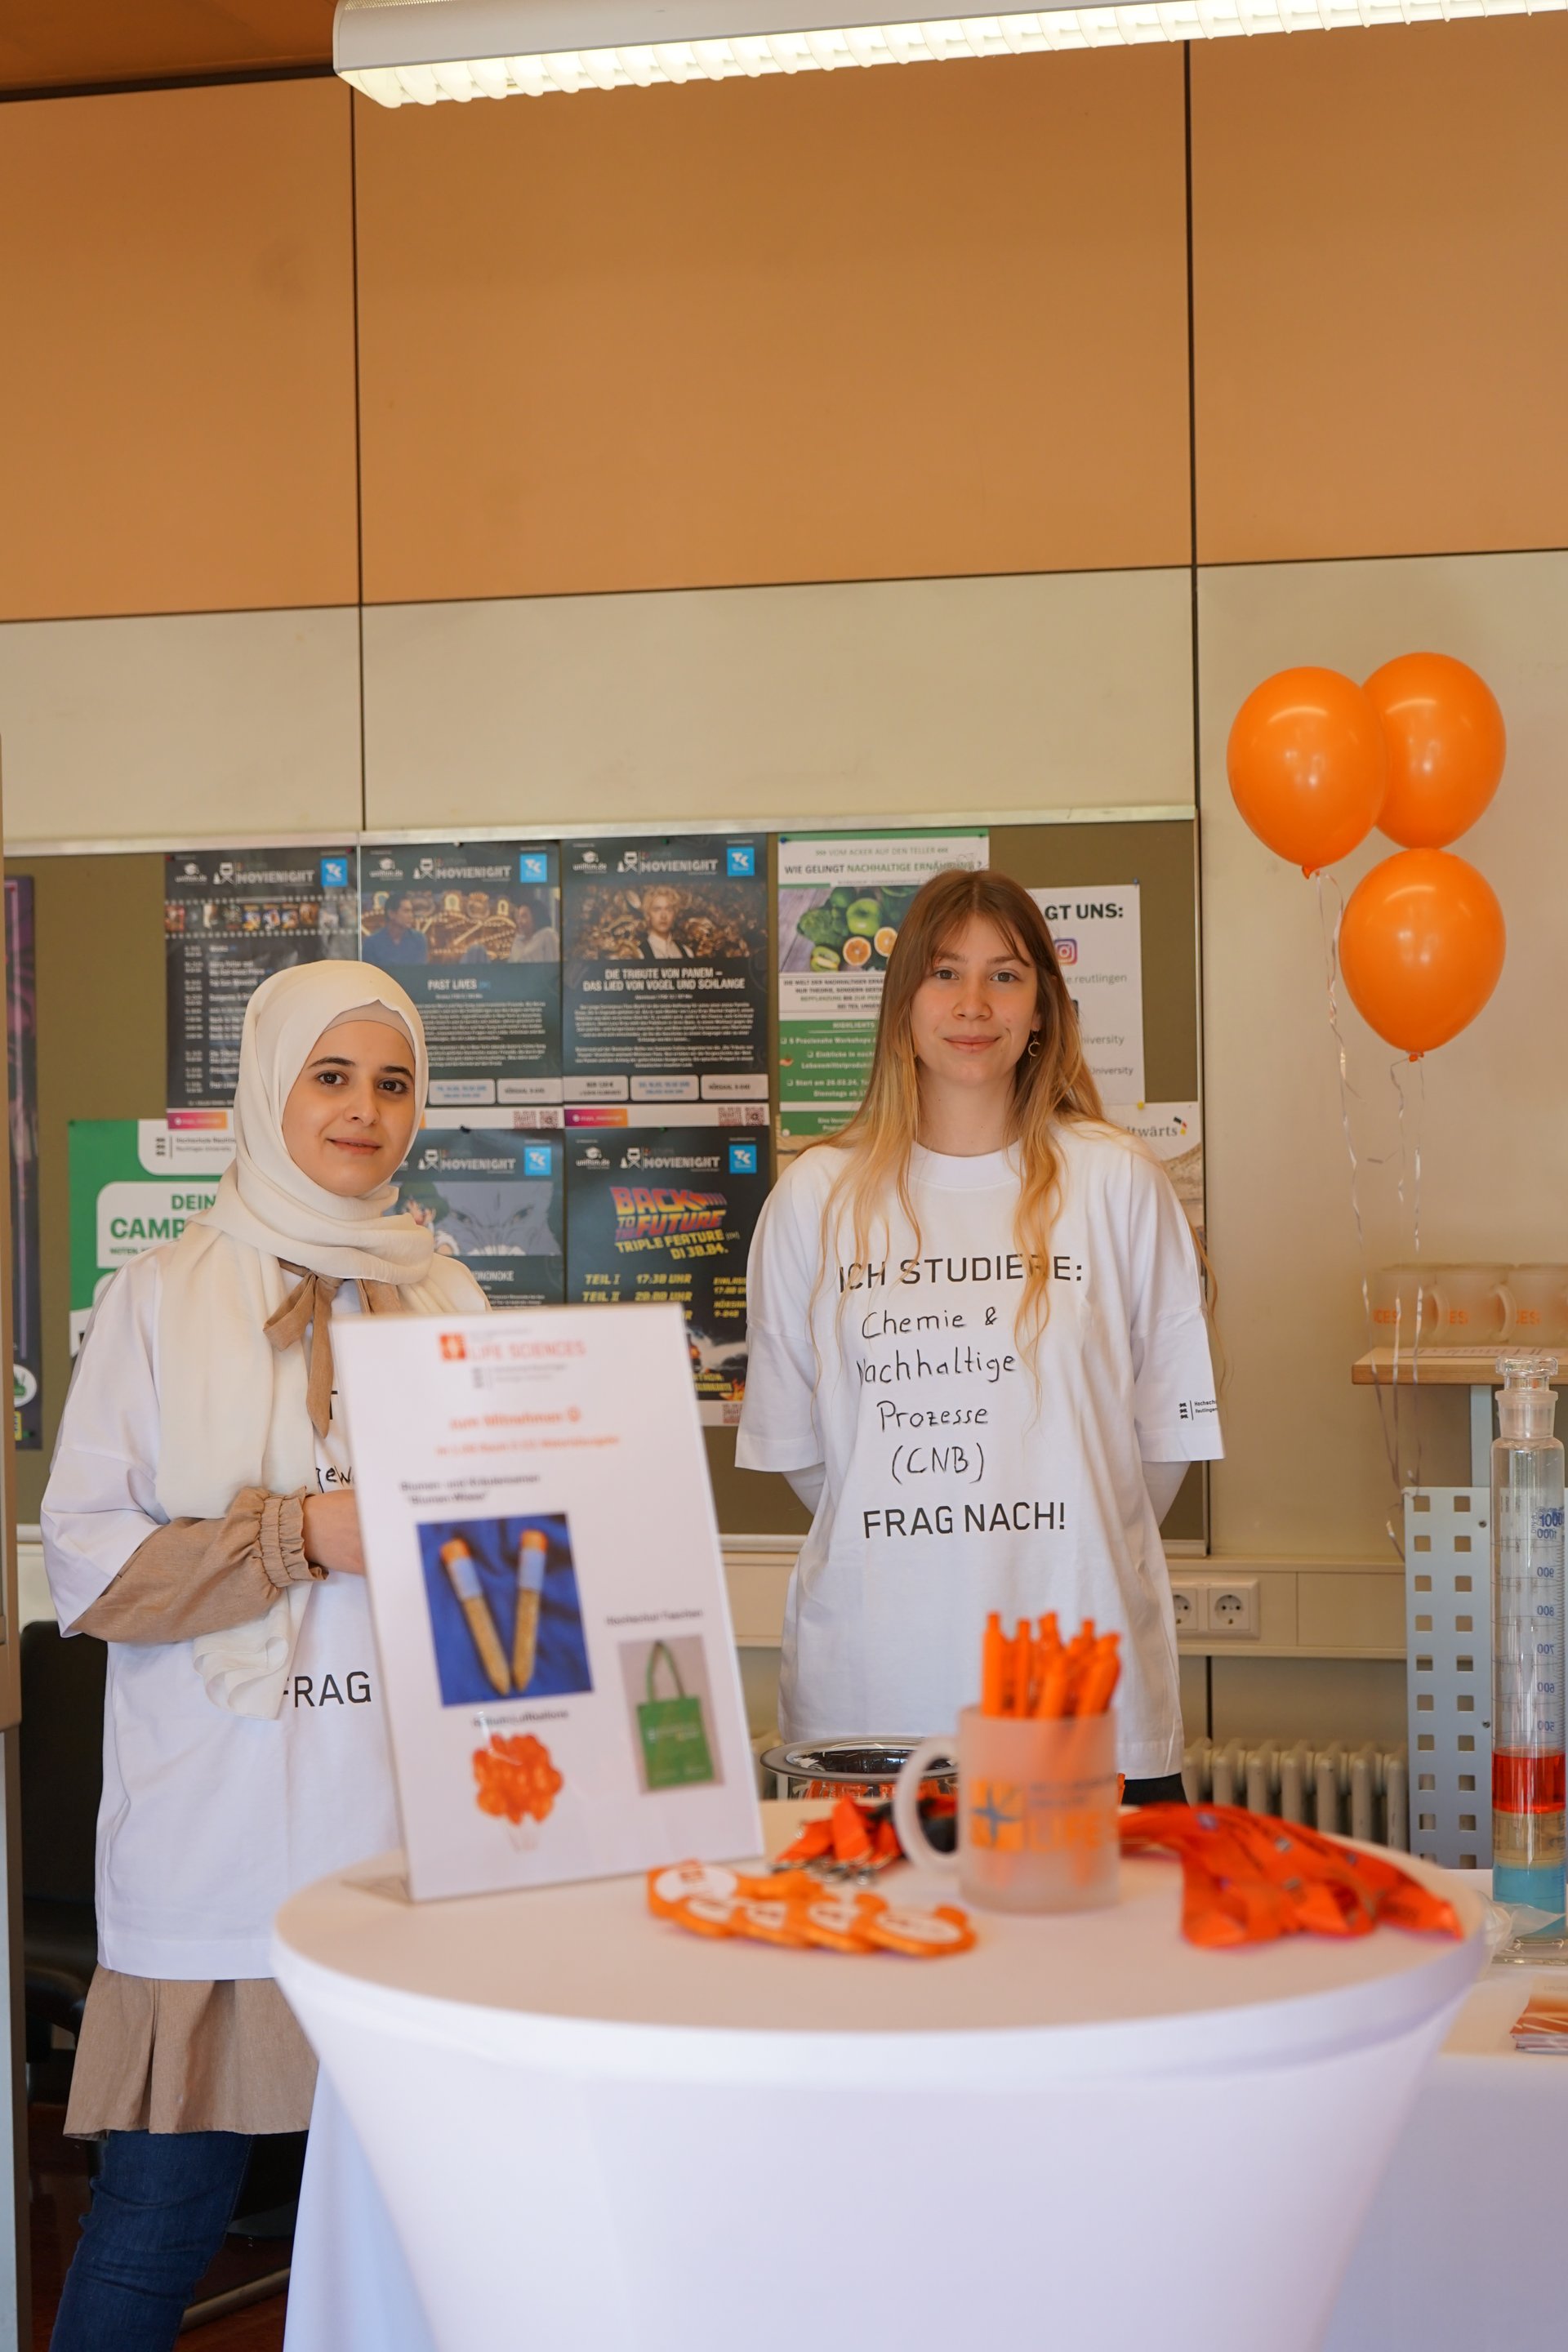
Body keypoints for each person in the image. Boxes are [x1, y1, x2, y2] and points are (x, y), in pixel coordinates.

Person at [42, 962, 485, 2350]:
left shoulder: (448, 1293)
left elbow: (509, 1563)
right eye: (332, 1076)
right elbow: (92, 1567)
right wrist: (299, 1534)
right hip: (218, 1837)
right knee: (160, 2222)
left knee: (422, 2237)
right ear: (270, 1085)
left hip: (405, 1848)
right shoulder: (163, 1296)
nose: (364, 1110)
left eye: (393, 1081)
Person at [736, 869, 1220, 1802]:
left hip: (1083, 1703)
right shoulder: (815, 1200)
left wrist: (1054, 1533)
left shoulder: (1117, 1183)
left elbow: (1156, 1457)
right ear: (903, 1001)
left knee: (1091, 1948)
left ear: (1043, 1005)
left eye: (1005, 977)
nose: (972, 1004)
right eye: (944, 973)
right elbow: (813, 1461)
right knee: (882, 1948)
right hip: (872, 1700)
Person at [363, 893, 427, 969]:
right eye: (406, 911)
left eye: (411, 911)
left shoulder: (419, 940)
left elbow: (420, 973)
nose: (411, 916)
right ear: (391, 914)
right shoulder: (371, 943)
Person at [639, 884, 688, 961]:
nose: (663, 916)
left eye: (669, 909)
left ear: (674, 914)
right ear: (648, 915)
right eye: (657, 909)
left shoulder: (686, 952)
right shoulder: (639, 954)